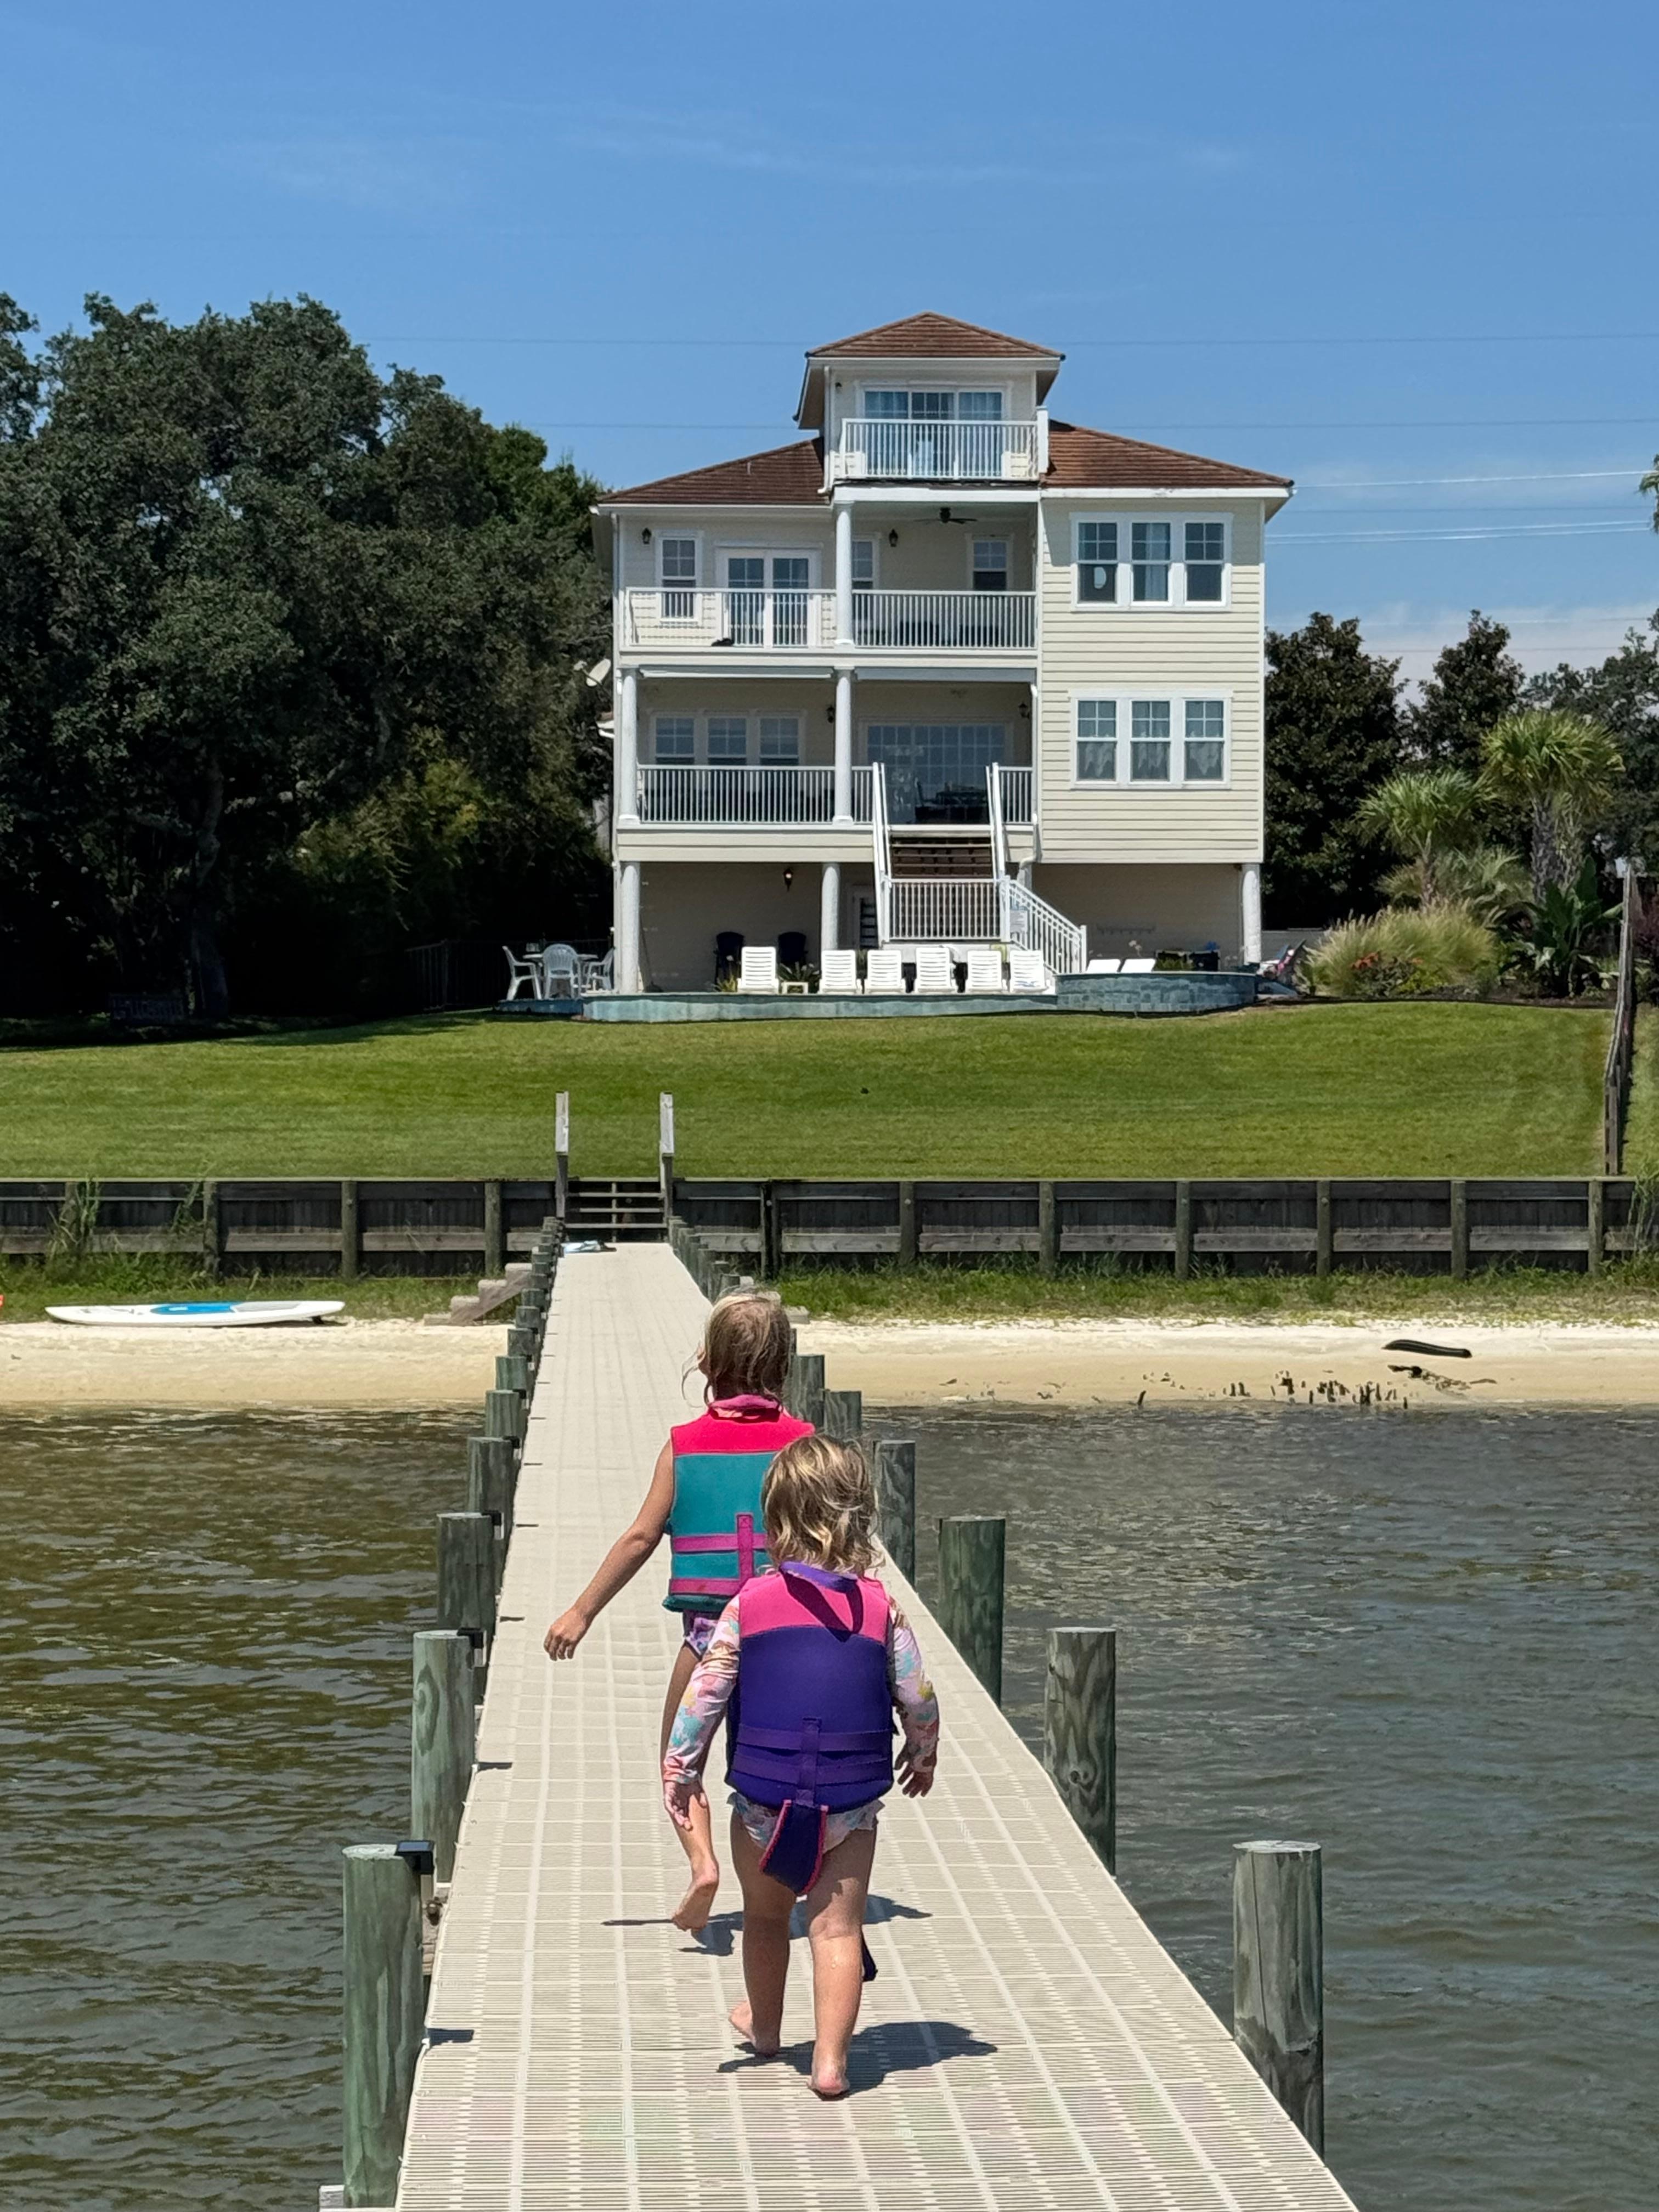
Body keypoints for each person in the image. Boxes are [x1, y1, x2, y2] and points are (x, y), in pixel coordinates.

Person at [662, 1435, 939, 2098]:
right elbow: (918, 1694)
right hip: (850, 1806)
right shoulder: (881, 1608)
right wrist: (922, 1752)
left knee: (763, 1919)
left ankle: (765, 2032)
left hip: (763, 1802)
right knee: (836, 1928)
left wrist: (681, 1769)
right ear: (859, 1519)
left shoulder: (748, 1604)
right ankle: (831, 2064)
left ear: (776, 1524)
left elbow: (707, 1693)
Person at [543, 1289, 812, 1930]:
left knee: (678, 1761)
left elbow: (640, 1538)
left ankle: (702, 1864)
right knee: (769, 1778)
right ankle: (773, 1893)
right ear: (783, 1366)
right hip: (788, 1642)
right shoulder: (804, 1446)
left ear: (707, 1362)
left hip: (707, 1637)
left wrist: (581, 1612)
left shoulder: (684, 1445)